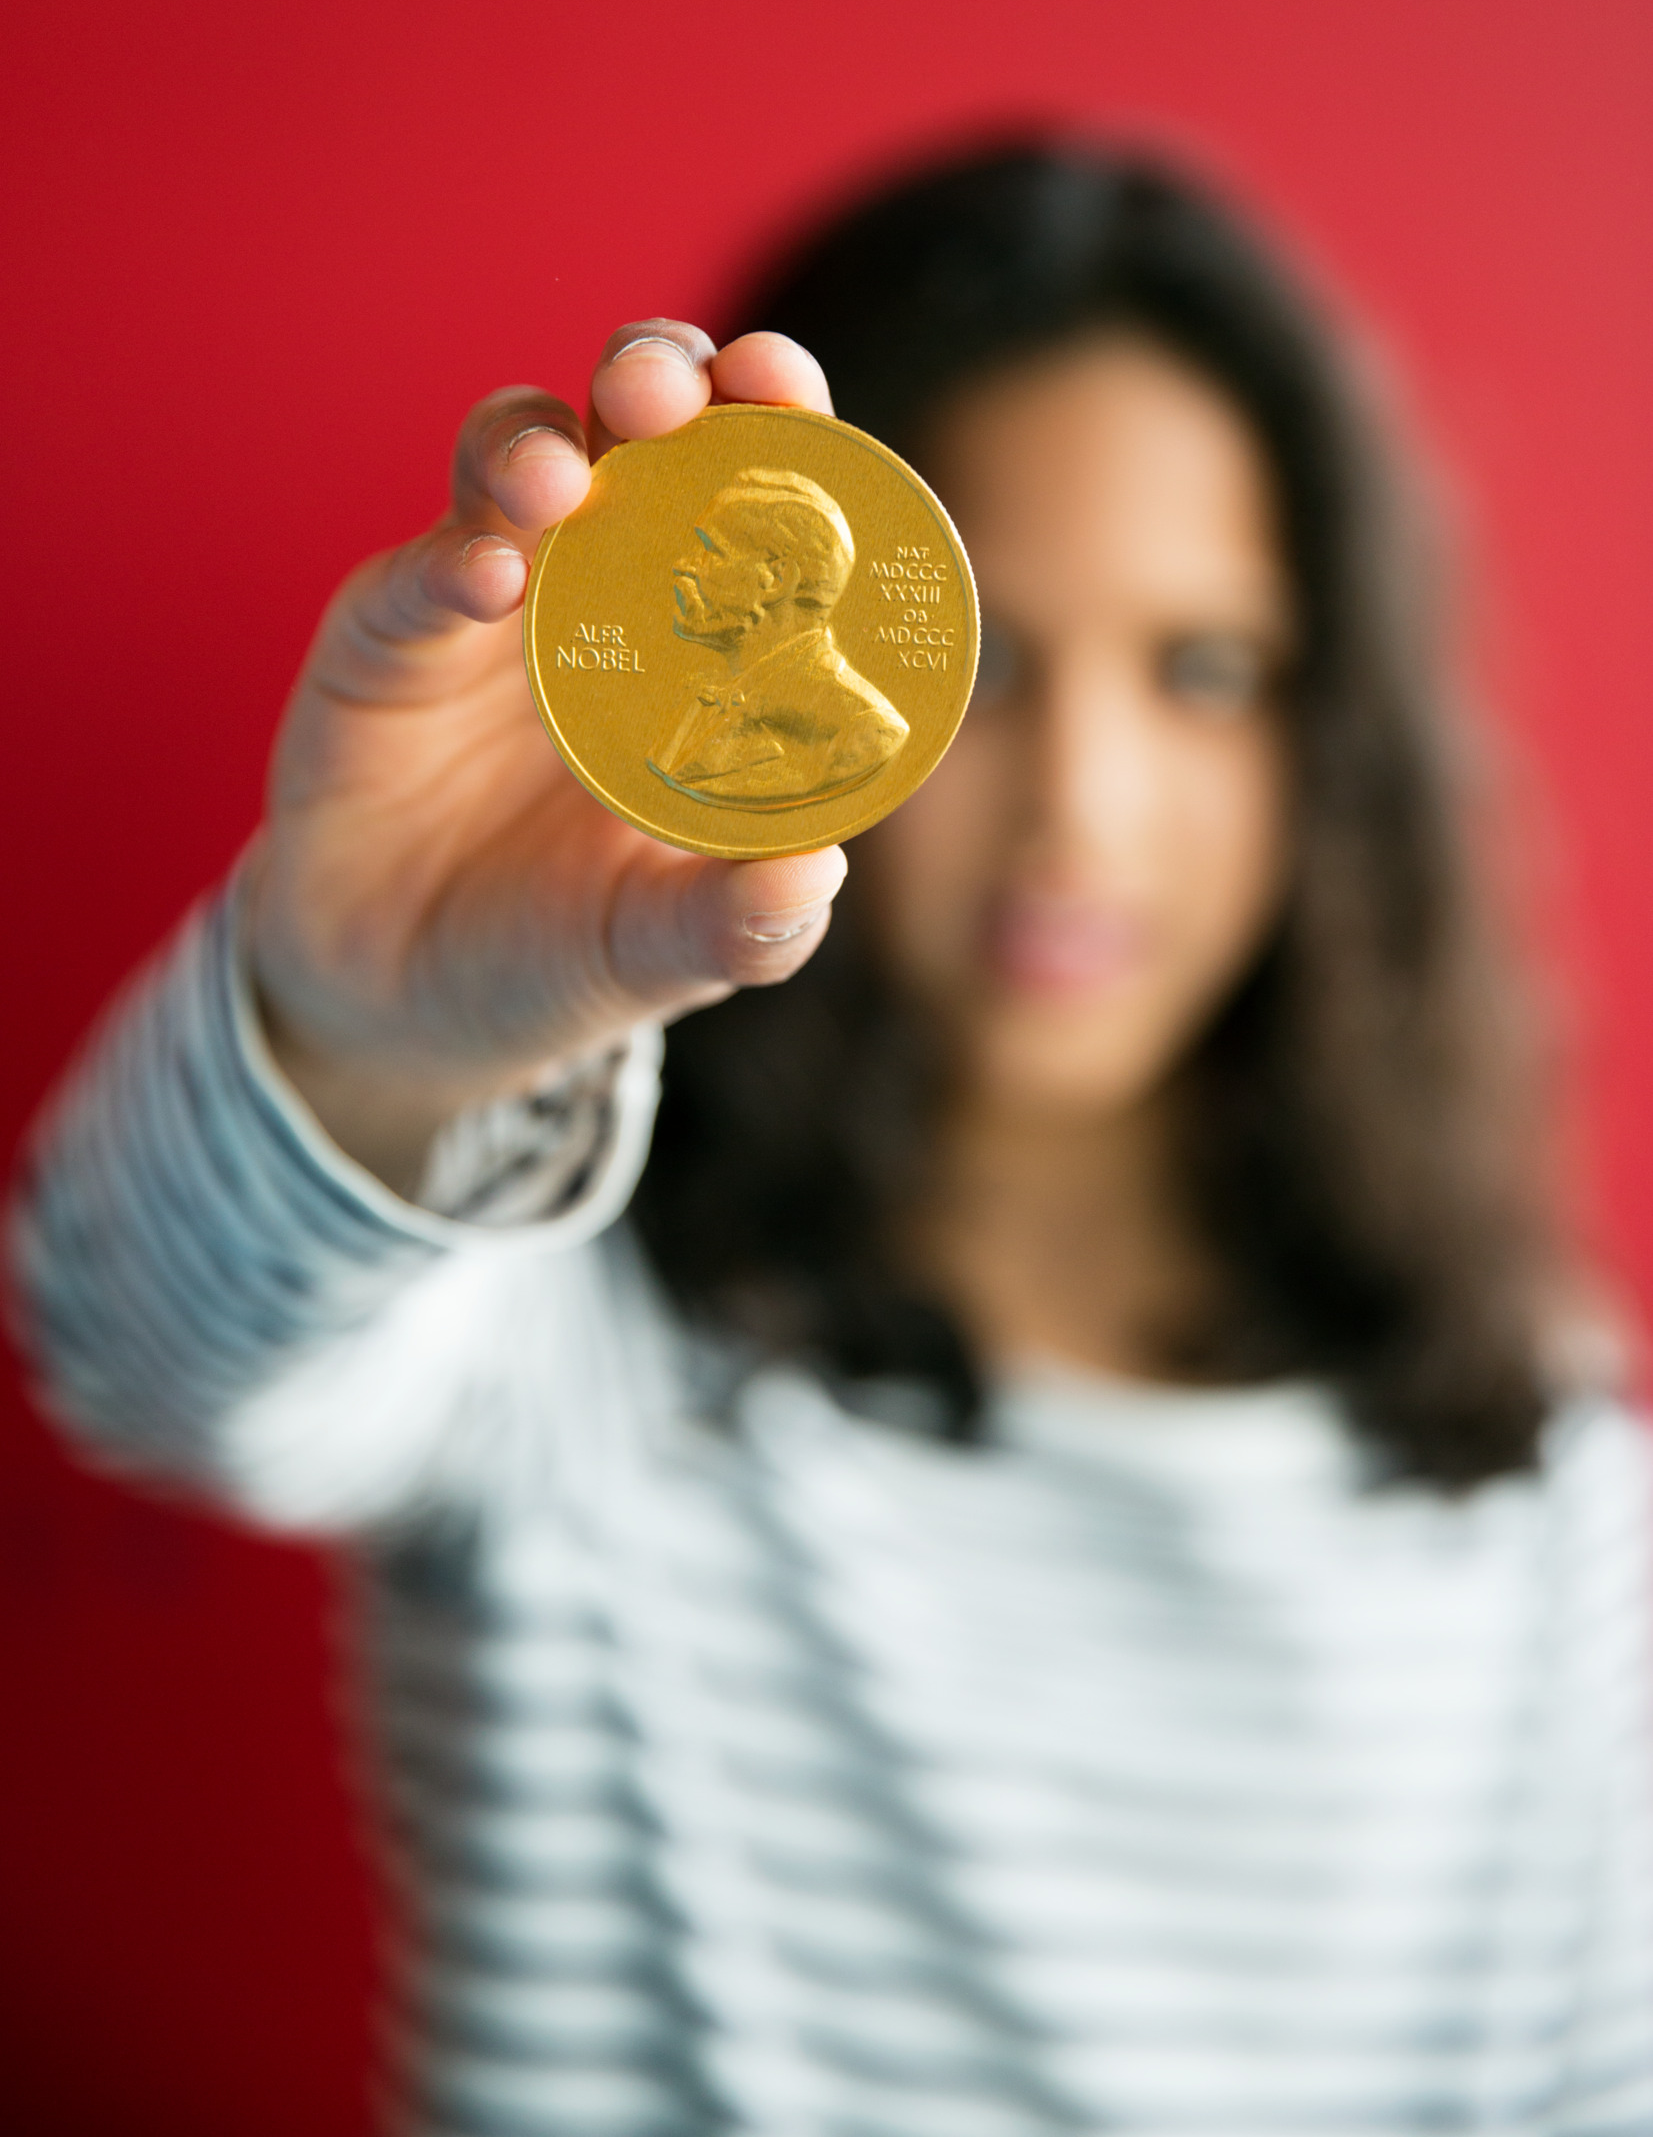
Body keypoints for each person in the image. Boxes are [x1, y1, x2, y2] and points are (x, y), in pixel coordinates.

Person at [11, 141, 1651, 2135]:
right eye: (992, 663)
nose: (1081, 804)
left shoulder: (1557, 1480)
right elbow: (131, 1338)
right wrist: (358, 1031)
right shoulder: (565, 1341)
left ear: (1338, 744)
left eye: (1203, 671)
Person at [650, 466, 909, 810]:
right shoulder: (698, 696)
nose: (683, 565)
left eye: (710, 550)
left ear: (776, 579)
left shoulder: (864, 730)